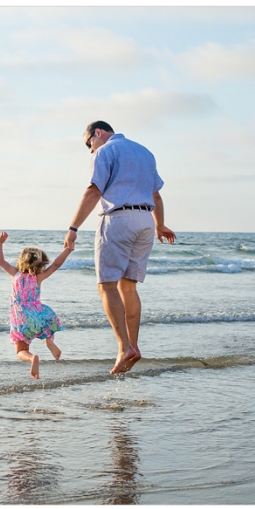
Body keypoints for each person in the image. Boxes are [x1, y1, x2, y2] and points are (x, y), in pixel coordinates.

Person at [63, 121, 176, 375]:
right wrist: (160, 225)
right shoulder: (145, 152)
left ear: (98, 133)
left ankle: (124, 347)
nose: (89, 150)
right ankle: (133, 346)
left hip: (118, 219)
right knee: (128, 286)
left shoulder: (104, 152)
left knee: (106, 285)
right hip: (145, 220)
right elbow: (156, 195)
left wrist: (73, 228)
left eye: (88, 143)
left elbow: (93, 191)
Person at [0, 231, 72, 380]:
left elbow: (0, 260)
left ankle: (32, 358)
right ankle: (48, 341)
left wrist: (0, 243)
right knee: (45, 329)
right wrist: (67, 250)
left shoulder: (14, 273)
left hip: (21, 317)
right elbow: (56, 265)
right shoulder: (38, 277)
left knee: (20, 351)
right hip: (37, 312)